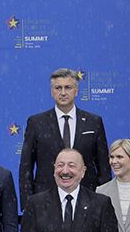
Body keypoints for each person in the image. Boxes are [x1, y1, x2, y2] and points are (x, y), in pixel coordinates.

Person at [18, 67, 108, 199]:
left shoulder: (94, 122)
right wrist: (28, 204)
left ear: (76, 91)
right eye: (58, 88)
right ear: (51, 91)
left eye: (68, 87)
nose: (63, 92)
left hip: (87, 198)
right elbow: (26, 167)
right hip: (46, 199)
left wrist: (103, 201)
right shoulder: (36, 122)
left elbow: (103, 167)